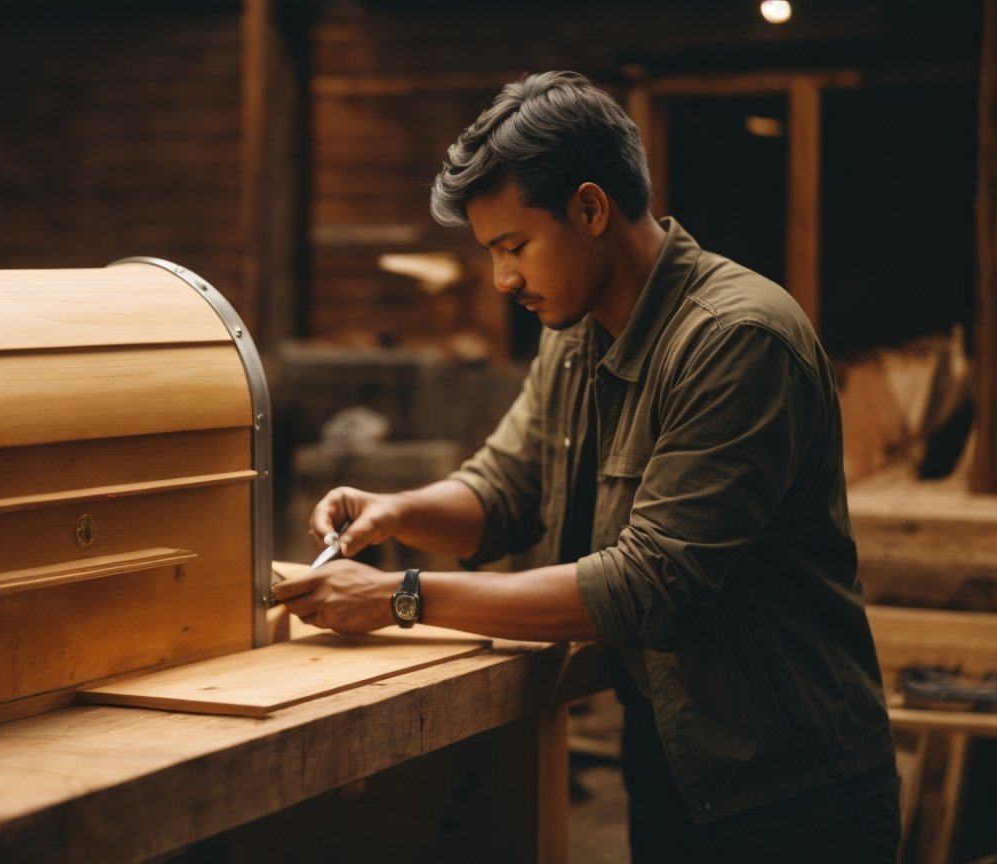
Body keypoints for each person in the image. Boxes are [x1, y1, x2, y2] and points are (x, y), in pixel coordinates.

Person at [273, 71, 899, 862]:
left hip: (793, 792)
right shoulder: (574, 335)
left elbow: (649, 586)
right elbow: (507, 486)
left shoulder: (737, 340)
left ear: (591, 209)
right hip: (674, 763)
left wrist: (401, 596)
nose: (502, 280)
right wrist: (397, 510)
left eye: (514, 247)